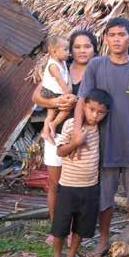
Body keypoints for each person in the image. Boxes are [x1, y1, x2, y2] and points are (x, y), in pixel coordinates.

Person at [74, 17, 129, 257]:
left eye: (121, 34)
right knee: (103, 200)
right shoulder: (96, 66)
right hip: (102, 145)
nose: (116, 39)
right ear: (105, 39)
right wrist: (78, 132)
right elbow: (82, 100)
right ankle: (102, 240)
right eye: (111, 35)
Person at [32, 30, 98, 245]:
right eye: (76, 47)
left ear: (94, 48)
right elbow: (36, 96)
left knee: (77, 187)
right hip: (57, 134)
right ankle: (57, 229)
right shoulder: (61, 66)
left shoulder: (99, 71)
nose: (81, 51)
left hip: (83, 138)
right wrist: (54, 104)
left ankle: (74, 231)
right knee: (55, 184)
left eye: (86, 46)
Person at [46, 89, 111, 257]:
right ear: (83, 106)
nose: (95, 115)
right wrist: (76, 142)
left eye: (100, 112)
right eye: (91, 109)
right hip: (68, 187)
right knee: (60, 227)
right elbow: (60, 152)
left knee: (81, 228)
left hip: (90, 188)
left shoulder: (100, 128)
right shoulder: (71, 125)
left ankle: (72, 256)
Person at [40, 36, 71, 144]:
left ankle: (46, 132)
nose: (69, 53)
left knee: (51, 114)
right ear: (54, 51)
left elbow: (66, 76)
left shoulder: (62, 62)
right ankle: (52, 125)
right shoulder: (53, 65)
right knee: (66, 108)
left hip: (54, 92)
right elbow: (60, 79)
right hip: (50, 92)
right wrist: (67, 93)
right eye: (66, 50)